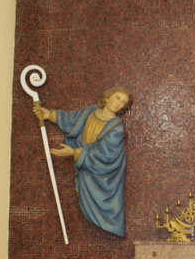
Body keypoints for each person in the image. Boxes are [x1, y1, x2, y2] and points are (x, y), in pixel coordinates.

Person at [33, 86, 131, 237]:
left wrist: (74, 152)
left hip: (103, 177)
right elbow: (70, 120)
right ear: (107, 97)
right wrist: (48, 114)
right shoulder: (89, 112)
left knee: (107, 210)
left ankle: (111, 224)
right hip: (86, 173)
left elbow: (106, 155)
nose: (119, 103)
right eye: (117, 98)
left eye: (123, 102)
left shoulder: (116, 128)